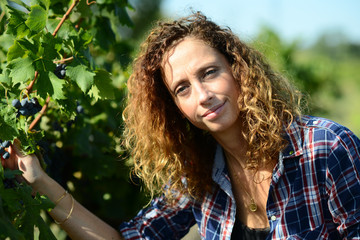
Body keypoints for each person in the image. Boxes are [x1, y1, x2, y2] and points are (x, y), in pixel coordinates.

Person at [2, 12, 360, 240]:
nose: (202, 95)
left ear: (238, 70)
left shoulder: (325, 148)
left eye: (209, 73)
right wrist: (38, 181)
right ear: (173, 108)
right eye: (183, 88)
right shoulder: (197, 177)